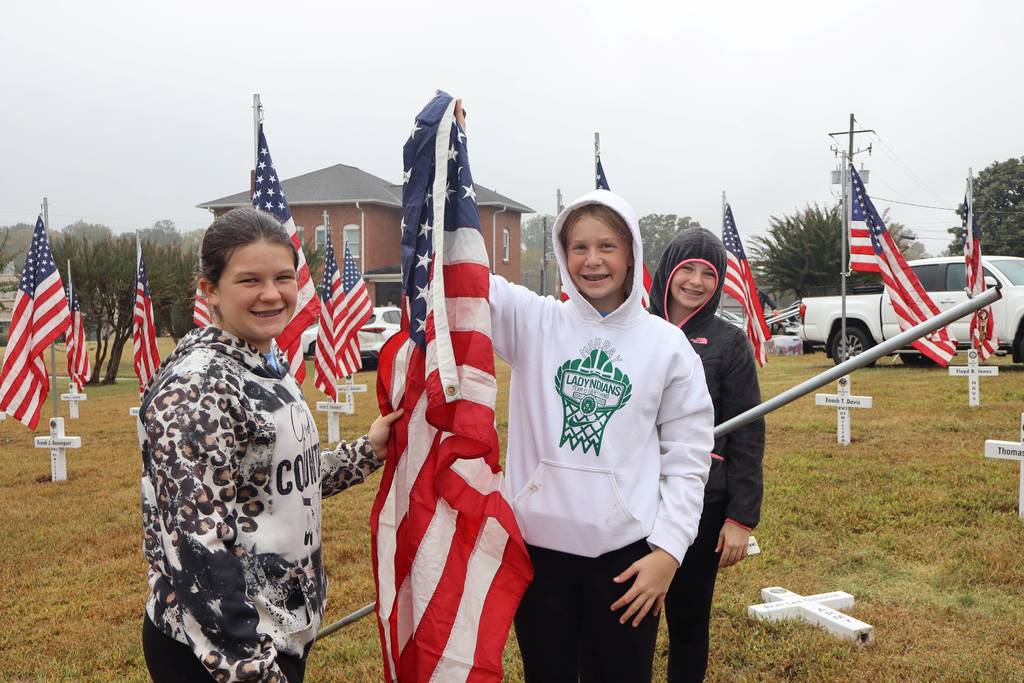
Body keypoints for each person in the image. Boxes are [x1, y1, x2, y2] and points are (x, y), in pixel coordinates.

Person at [138, 207, 400, 683]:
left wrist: (368, 451)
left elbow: (271, 484)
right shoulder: (198, 388)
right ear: (210, 290)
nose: (271, 294)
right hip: (220, 658)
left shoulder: (262, 362)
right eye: (249, 280)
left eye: (283, 277)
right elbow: (200, 548)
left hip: (274, 634)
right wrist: (254, 668)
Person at [488, 188, 715, 681]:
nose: (592, 261)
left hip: (628, 561)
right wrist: (444, 165)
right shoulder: (534, 321)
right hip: (539, 554)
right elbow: (461, 279)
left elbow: (688, 457)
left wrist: (669, 553)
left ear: (631, 251)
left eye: (607, 246)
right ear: (562, 254)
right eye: (579, 248)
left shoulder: (666, 344)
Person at [648, 227, 765, 683]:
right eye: (687, 269)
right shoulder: (634, 326)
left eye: (708, 274)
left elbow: (748, 432)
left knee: (689, 619)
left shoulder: (728, 342)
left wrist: (740, 517)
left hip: (704, 501)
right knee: (629, 614)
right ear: (667, 271)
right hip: (635, 496)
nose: (695, 282)